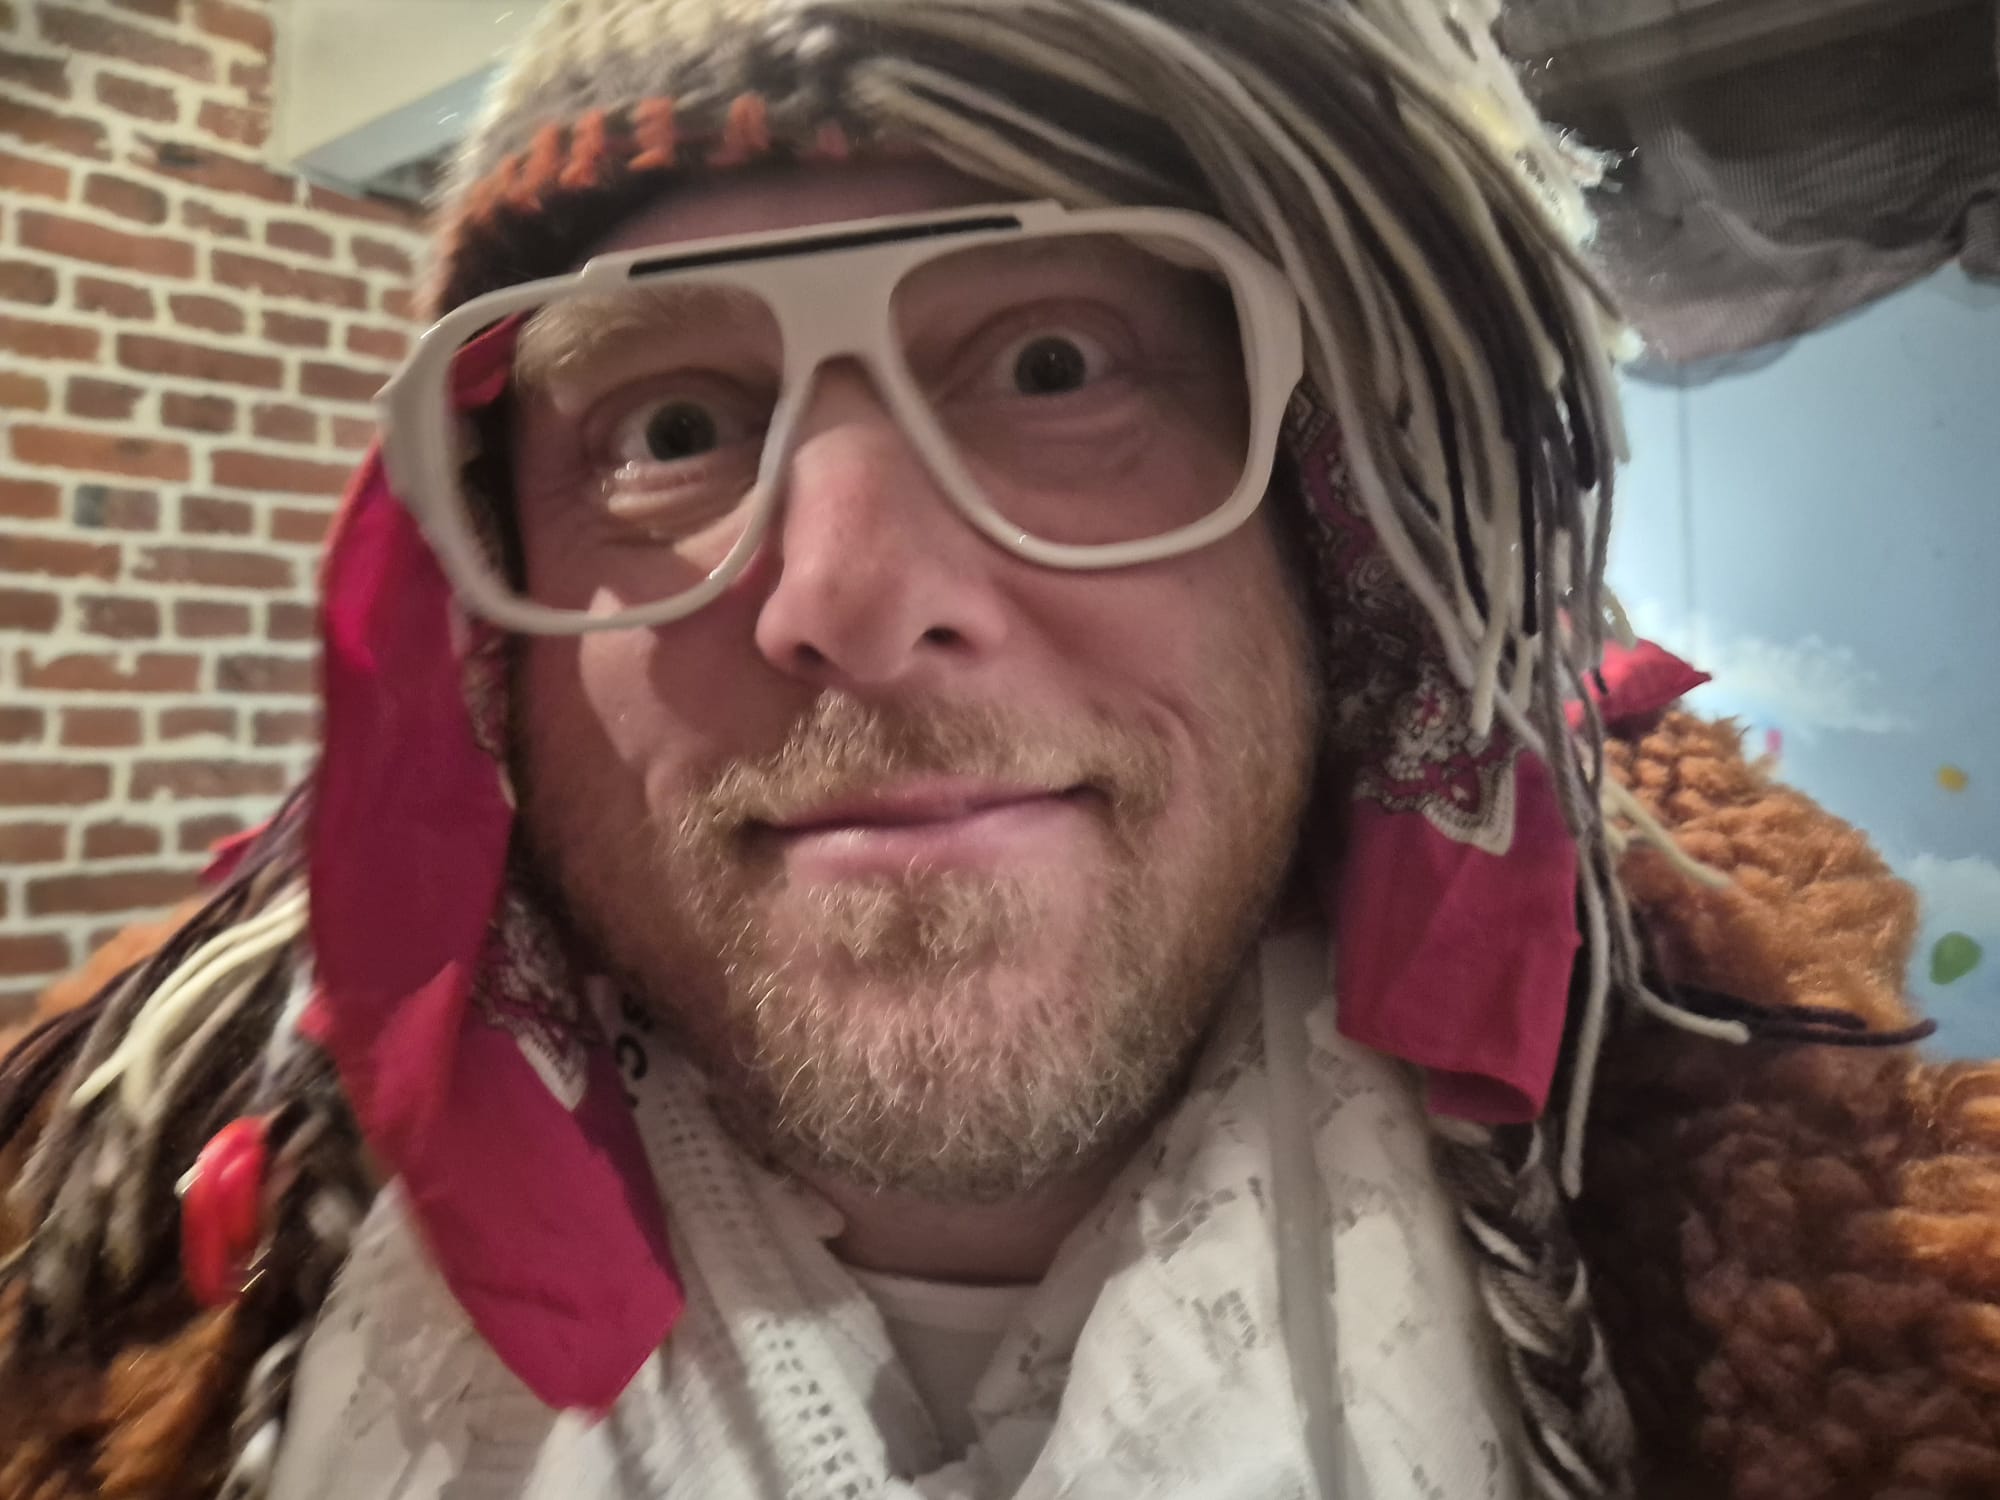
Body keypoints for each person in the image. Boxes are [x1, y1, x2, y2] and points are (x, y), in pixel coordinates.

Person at [3, 1, 1996, 1497]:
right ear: (487, 619)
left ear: (1339, 552)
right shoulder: (95, 1301)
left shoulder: (1889, 1295)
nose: (848, 598)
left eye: (1055, 366)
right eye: (672, 429)